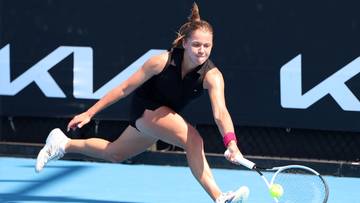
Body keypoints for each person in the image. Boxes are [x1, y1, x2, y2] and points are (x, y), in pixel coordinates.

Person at [35, 3, 249, 203]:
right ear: (184, 43)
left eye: (206, 45)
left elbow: (220, 112)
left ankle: (62, 143)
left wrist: (231, 142)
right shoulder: (160, 61)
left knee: (114, 153)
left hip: (163, 117)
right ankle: (219, 197)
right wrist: (89, 113)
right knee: (194, 139)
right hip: (145, 109)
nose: (201, 50)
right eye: (196, 44)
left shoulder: (213, 76)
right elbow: (124, 88)